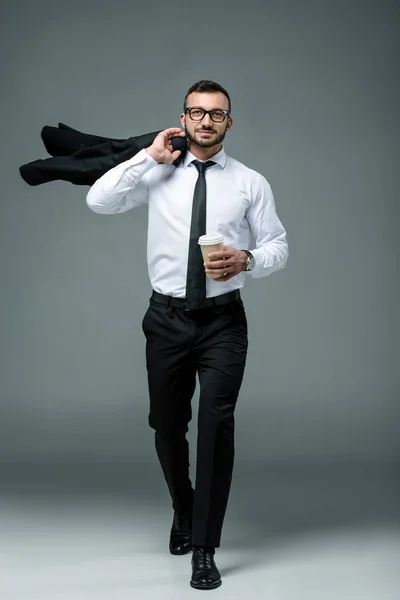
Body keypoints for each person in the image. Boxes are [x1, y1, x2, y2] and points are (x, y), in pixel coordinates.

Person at [86, 80, 289, 590]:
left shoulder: (250, 183)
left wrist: (247, 259)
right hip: (166, 320)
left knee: (217, 427)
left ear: (228, 123)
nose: (205, 122)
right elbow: (98, 201)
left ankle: (204, 546)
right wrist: (147, 157)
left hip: (223, 320)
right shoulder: (158, 173)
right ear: (182, 117)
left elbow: (278, 247)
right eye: (196, 113)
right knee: (167, 424)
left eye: (215, 115)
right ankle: (183, 509)